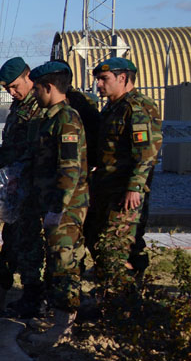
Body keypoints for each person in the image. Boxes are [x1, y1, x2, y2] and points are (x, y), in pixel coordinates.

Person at [23, 61, 89, 345]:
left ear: (48, 87)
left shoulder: (66, 119)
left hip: (66, 206)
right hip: (51, 203)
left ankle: (63, 327)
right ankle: (59, 318)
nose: (34, 94)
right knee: (57, 261)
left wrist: (58, 208)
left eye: (36, 88)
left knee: (64, 262)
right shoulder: (50, 118)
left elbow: (69, 168)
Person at [86, 57, 162, 295]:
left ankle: (121, 300)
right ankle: (117, 288)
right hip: (105, 186)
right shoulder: (113, 106)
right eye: (98, 79)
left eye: (104, 79)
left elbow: (146, 153)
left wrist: (135, 187)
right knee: (94, 235)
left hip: (124, 192)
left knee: (116, 246)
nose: (98, 84)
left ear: (123, 78)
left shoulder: (136, 108)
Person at [0, 57, 47, 316]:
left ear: (28, 77)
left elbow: (37, 150)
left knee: (29, 244)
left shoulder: (40, 105)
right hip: (14, 187)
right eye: (7, 90)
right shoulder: (19, 105)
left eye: (14, 86)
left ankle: (32, 296)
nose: (12, 93)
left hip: (30, 188)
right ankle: (4, 292)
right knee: (11, 240)